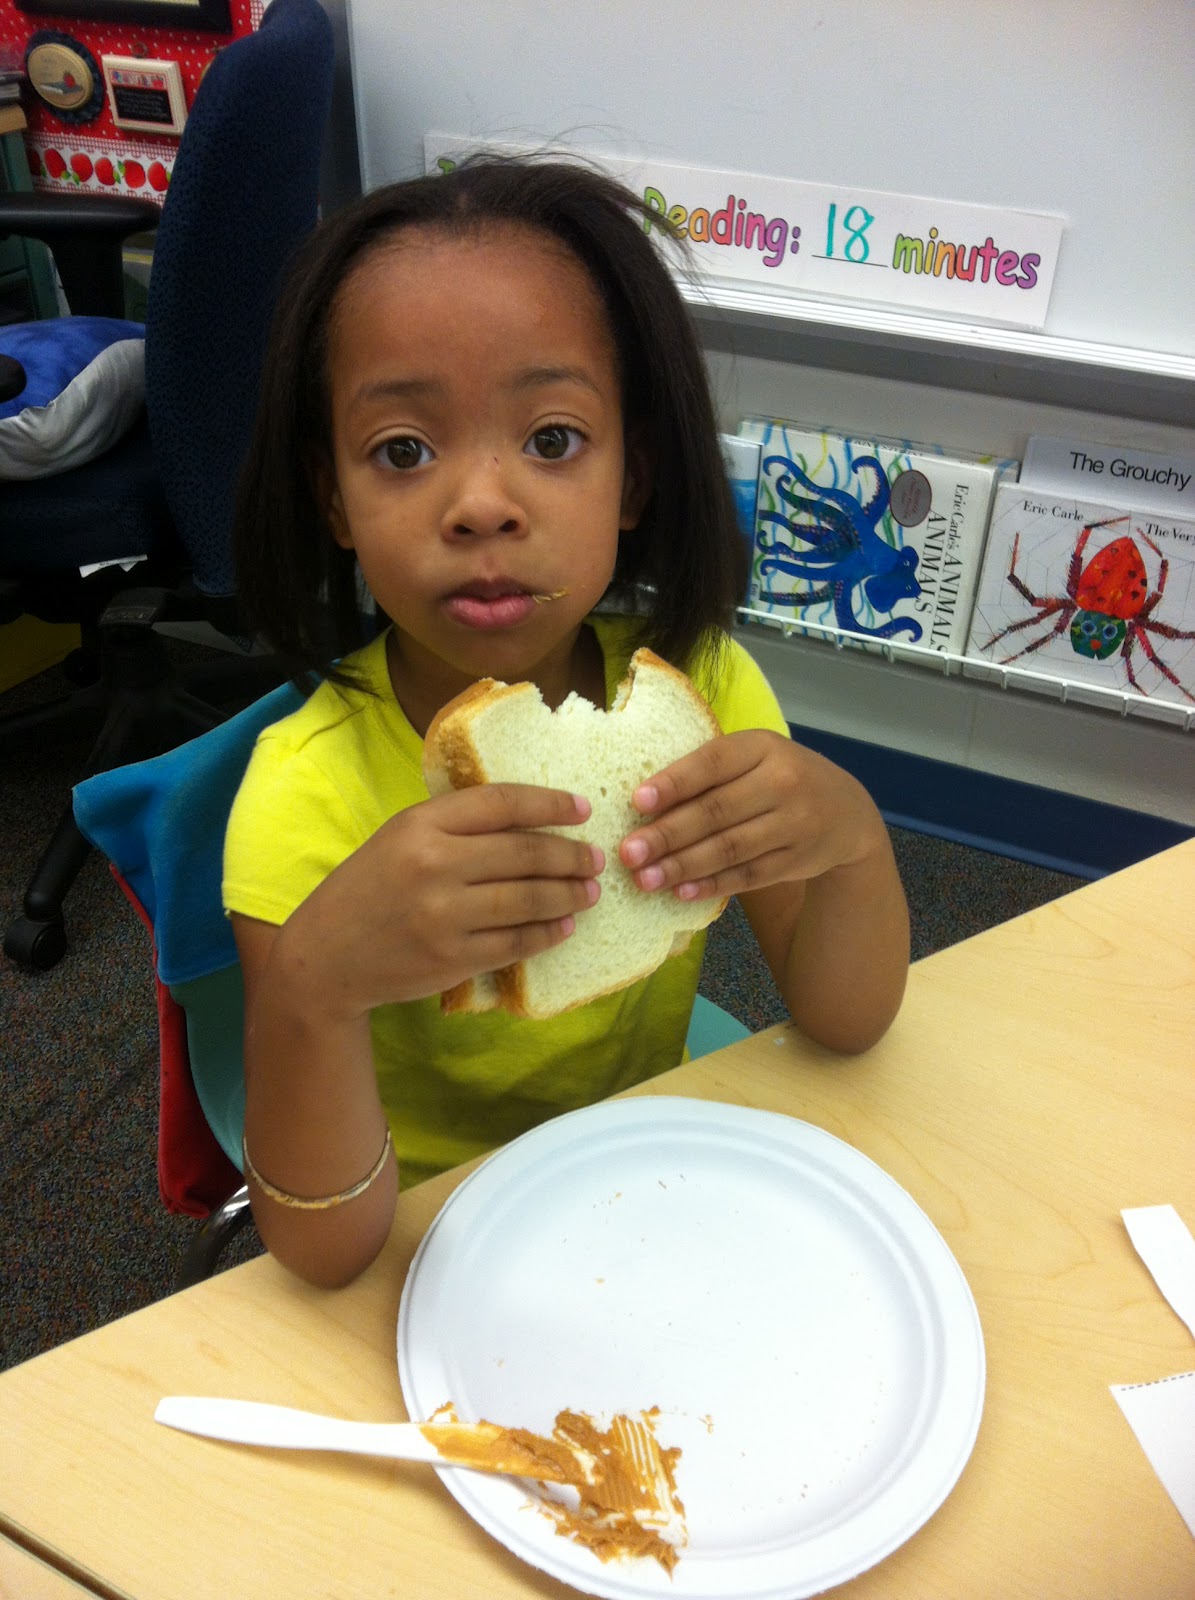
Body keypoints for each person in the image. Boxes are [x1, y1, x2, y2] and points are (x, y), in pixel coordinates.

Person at [224, 155, 910, 1287]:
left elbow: (847, 1021)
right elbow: (323, 1252)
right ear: (334, 497)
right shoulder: (304, 795)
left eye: (552, 439)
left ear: (634, 475)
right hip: (430, 1231)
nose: (481, 504)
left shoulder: (704, 693)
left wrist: (851, 839)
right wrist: (313, 986)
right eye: (403, 451)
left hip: (651, 1177)